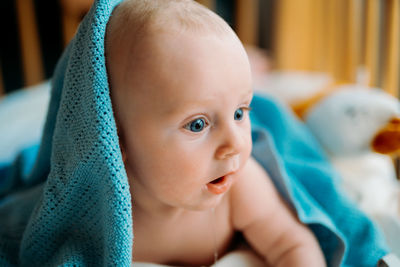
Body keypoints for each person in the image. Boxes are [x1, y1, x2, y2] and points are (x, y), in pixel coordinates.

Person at [105, 0, 326, 266]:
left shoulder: (241, 188)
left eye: (239, 113)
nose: (234, 143)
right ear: (116, 139)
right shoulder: (101, 216)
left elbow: (292, 244)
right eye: (197, 124)